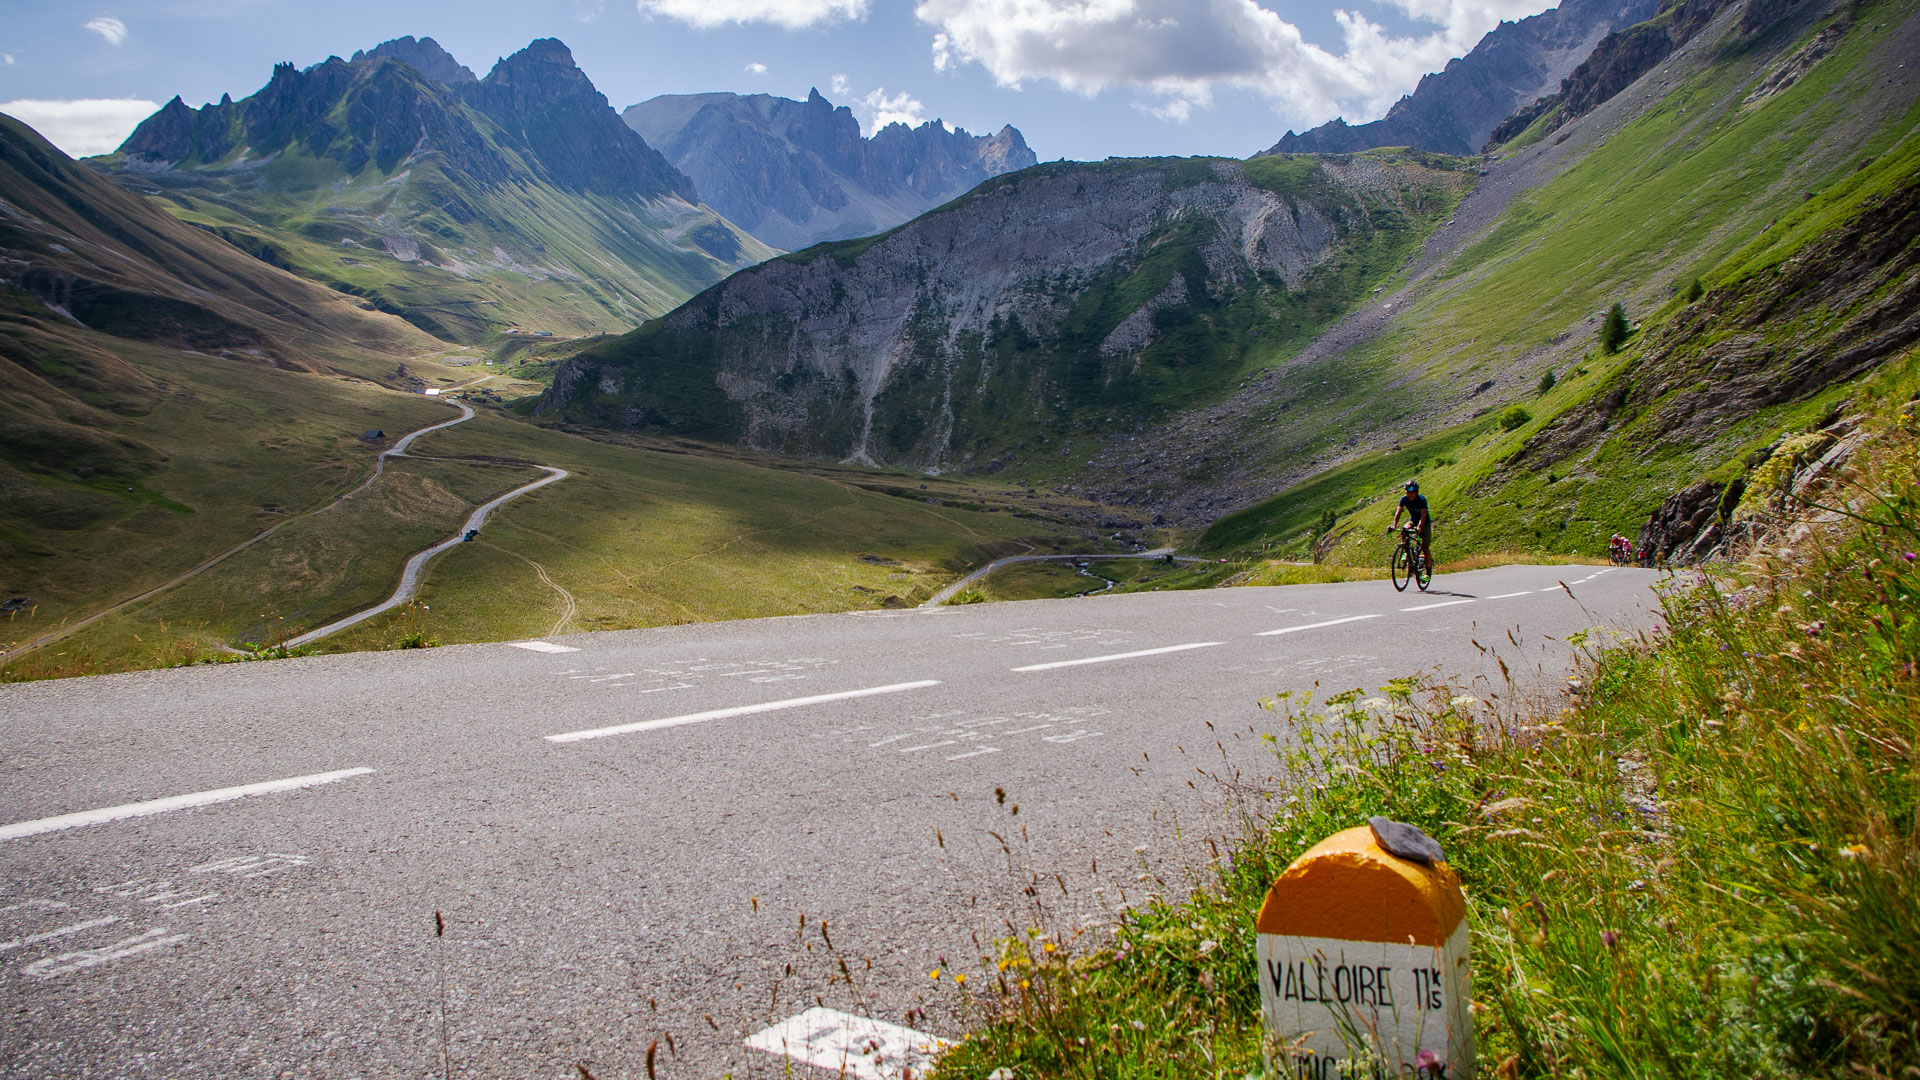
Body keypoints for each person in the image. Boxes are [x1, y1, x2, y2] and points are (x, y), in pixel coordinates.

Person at [1393, 480, 1433, 572]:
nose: (1410, 495)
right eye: (1408, 492)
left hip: (1424, 523)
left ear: (1416, 492)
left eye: (1412, 493)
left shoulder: (1422, 500)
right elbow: (1398, 513)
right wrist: (1394, 526)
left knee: (1425, 547)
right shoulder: (1404, 499)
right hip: (1413, 521)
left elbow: (1423, 515)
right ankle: (1406, 550)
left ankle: (1428, 570)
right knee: (1404, 530)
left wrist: (1419, 527)